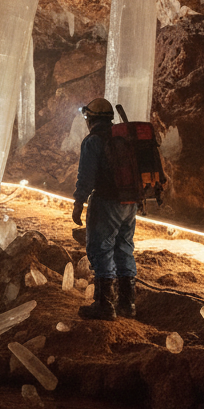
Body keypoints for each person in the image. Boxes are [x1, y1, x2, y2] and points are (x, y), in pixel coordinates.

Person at [72, 97, 138, 320]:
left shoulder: (93, 141)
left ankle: (104, 304)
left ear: (90, 118)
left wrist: (79, 202)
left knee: (101, 249)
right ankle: (127, 304)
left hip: (106, 201)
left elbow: (86, 177)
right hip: (130, 203)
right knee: (124, 247)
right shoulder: (124, 138)